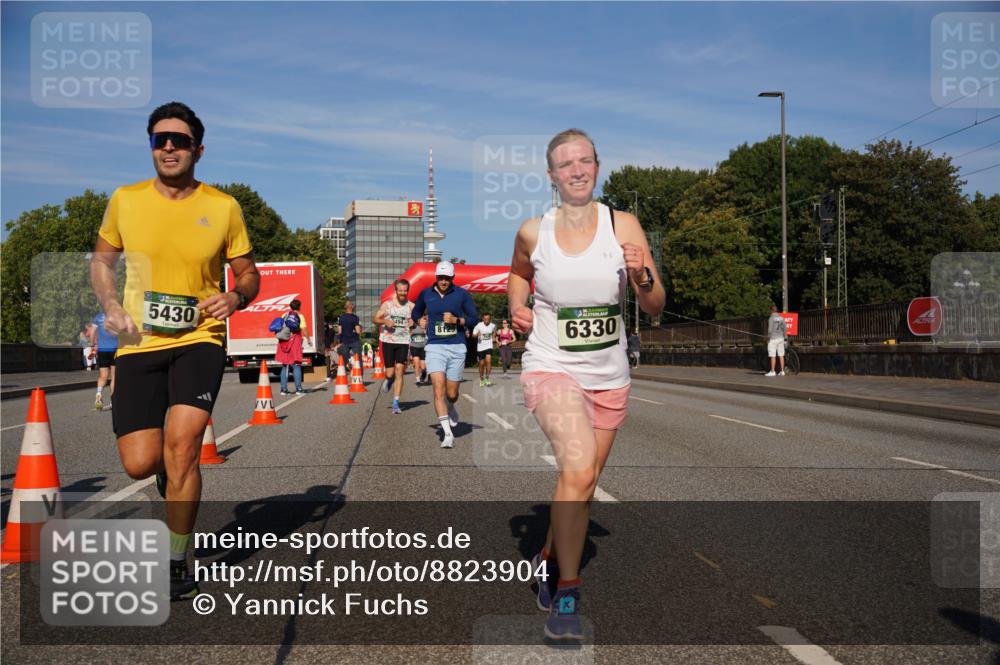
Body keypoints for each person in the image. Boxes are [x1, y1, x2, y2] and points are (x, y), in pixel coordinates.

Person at [89, 101, 259, 601]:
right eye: (159, 139)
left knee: (184, 446)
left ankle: (176, 558)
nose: (168, 147)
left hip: (199, 338)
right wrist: (111, 303)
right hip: (138, 341)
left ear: (197, 149)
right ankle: (167, 471)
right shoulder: (125, 199)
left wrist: (235, 295)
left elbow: (250, 273)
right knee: (140, 464)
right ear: (151, 146)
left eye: (179, 140)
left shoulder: (224, 206)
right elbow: (102, 263)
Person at [508, 129, 664, 640]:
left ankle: (547, 555)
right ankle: (567, 596)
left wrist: (641, 276)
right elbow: (517, 274)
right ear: (551, 176)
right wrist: (516, 306)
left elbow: (655, 306)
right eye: (565, 164)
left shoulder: (624, 225)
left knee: (583, 484)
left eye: (584, 161)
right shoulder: (535, 232)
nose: (576, 170)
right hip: (551, 367)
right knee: (576, 467)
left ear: (597, 166)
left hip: (609, 375)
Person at [410, 260, 478, 449]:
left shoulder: (462, 295)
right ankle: (447, 434)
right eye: (441, 277)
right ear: (436, 277)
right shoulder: (426, 294)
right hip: (435, 347)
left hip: (456, 346)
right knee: (438, 390)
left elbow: (474, 318)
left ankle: (451, 405)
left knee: (452, 393)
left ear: (452, 278)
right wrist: (419, 320)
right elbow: (415, 312)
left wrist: (458, 320)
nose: (444, 281)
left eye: (447, 278)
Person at [373, 279, 415, 414]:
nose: (403, 293)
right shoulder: (388, 305)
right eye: (400, 290)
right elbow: (375, 319)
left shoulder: (411, 307)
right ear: (396, 291)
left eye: (405, 291)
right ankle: (389, 380)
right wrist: (384, 320)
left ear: (408, 291)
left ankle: (396, 402)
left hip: (403, 341)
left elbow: (419, 321)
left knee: (400, 371)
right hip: (388, 341)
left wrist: (413, 323)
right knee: (390, 373)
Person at [90, 310, 119, 410]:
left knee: (103, 376)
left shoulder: (98, 316)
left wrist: (93, 345)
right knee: (114, 376)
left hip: (102, 349)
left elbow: (92, 332)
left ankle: (98, 393)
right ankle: (113, 402)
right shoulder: (117, 315)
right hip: (115, 349)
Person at [276, 299, 305, 395]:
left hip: (284, 341)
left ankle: (283, 390)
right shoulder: (299, 316)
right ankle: (298, 389)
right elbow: (303, 328)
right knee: (296, 365)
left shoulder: (284, 315)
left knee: (285, 365)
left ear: (290, 306)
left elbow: (280, 327)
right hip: (294, 340)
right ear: (299, 307)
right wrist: (308, 340)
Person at [472, 313, 497, 387]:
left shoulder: (493, 325)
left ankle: (487, 378)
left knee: (488, 361)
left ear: (490, 319)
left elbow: (495, 330)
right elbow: (473, 335)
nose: (487, 320)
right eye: (485, 319)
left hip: (489, 346)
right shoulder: (479, 325)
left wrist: (493, 336)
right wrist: (477, 335)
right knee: (481, 364)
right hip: (480, 347)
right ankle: (482, 379)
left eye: (488, 319)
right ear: (482, 319)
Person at [337, 301, 363, 368]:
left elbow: (339, 331)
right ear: (352, 307)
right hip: (355, 340)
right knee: (358, 359)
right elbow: (357, 331)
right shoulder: (355, 317)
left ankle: (347, 365)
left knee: (344, 359)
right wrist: (360, 330)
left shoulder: (341, 317)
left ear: (346, 307)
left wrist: (340, 341)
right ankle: (359, 374)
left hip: (344, 341)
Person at [766, 304, 787, 377]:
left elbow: (770, 330)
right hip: (781, 338)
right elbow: (785, 328)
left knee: (773, 355)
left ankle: (772, 371)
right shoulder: (781, 318)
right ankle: (782, 371)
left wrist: (768, 338)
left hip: (773, 339)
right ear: (777, 310)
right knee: (781, 355)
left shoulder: (771, 318)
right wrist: (785, 337)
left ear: (771, 310)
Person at [409, 315, 429, 384]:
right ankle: (418, 380)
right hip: (414, 347)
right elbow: (410, 323)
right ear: (419, 322)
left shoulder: (428, 329)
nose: (424, 323)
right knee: (416, 363)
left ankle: (423, 375)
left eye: (425, 321)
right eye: (422, 321)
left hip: (423, 349)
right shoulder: (415, 327)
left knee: (423, 367)